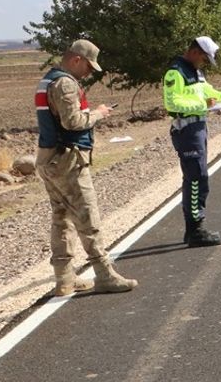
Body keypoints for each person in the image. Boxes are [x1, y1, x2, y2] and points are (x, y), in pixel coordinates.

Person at [35, 39, 138, 295]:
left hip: (49, 157)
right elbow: (72, 122)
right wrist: (99, 114)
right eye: (89, 67)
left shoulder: (48, 80)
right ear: (76, 59)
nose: (89, 73)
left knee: (61, 218)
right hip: (68, 158)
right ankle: (104, 274)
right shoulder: (66, 83)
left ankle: (64, 280)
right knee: (87, 217)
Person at [164, 36, 221, 246]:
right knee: (195, 178)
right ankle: (195, 230)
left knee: (200, 176)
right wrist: (202, 104)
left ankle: (194, 228)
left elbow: (205, 89)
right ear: (194, 52)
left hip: (198, 128)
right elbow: (172, 103)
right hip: (187, 130)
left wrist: (220, 95)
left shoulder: (195, 71)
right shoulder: (176, 72)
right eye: (203, 58)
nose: (203, 63)